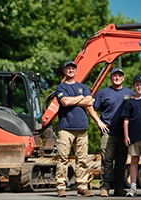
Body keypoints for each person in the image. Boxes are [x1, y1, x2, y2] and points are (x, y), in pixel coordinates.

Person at [87, 67, 135, 197]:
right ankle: (105, 188)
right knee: (107, 161)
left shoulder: (130, 93)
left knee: (121, 162)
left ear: (123, 78)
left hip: (124, 133)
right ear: (111, 78)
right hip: (108, 133)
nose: (117, 78)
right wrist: (99, 122)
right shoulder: (103, 93)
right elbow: (90, 107)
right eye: (115, 76)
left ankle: (119, 188)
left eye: (119, 76)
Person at [55, 60, 94, 197]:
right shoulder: (61, 87)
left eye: (73, 68)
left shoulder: (83, 86)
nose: (71, 70)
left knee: (82, 159)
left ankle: (82, 186)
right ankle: (61, 187)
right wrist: (80, 98)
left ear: (76, 71)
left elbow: (89, 101)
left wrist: (74, 100)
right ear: (64, 71)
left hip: (82, 128)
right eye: (68, 68)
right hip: (66, 128)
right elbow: (65, 102)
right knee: (63, 158)